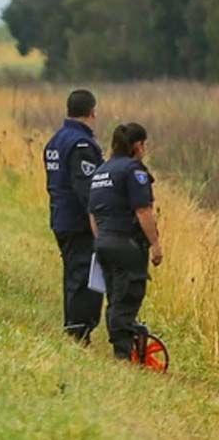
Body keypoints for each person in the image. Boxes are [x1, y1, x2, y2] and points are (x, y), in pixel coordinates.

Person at [88, 123, 162, 360]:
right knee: (127, 298)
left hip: (104, 243)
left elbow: (92, 214)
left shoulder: (101, 171)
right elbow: (143, 211)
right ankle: (123, 355)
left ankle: (123, 348)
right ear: (137, 145)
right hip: (127, 245)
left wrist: (102, 240)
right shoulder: (134, 171)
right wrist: (155, 244)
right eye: (144, 144)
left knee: (115, 298)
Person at [44, 89, 104, 341]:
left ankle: (73, 327)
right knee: (84, 277)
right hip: (79, 222)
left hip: (60, 217)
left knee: (73, 274)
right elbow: (88, 192)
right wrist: (101, 224)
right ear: (92, 112)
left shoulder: (55, 141)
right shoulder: (81, 144)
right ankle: (78, 331)